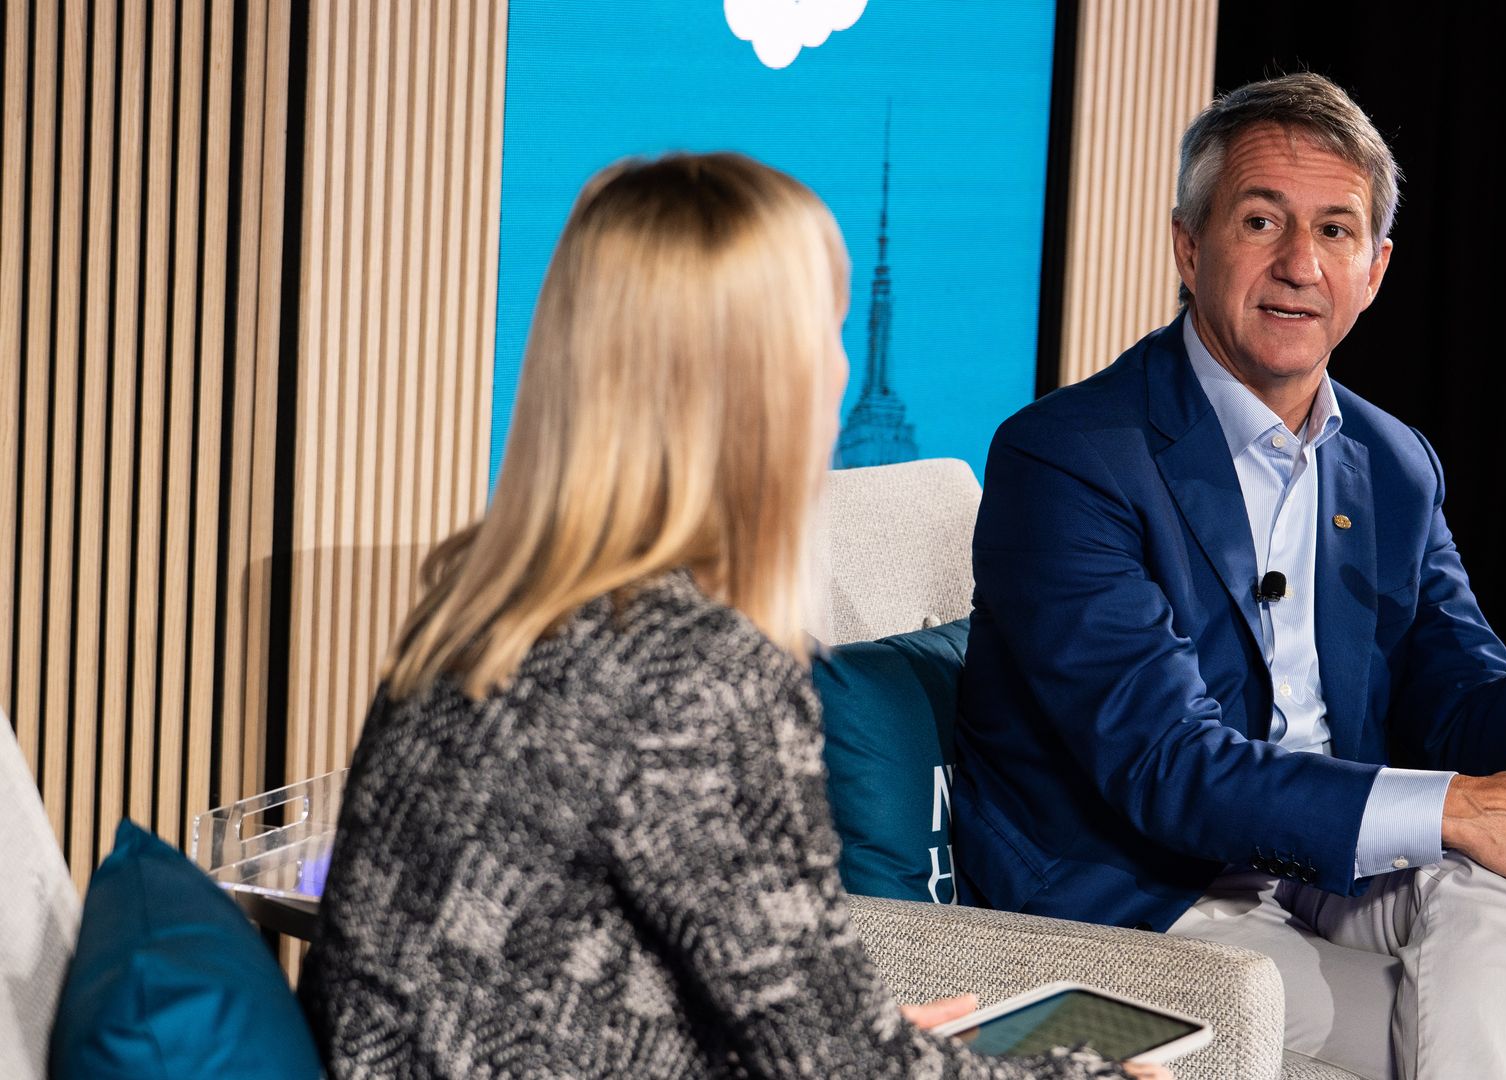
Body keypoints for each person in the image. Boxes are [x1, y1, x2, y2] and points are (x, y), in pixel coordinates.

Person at [298, 153, 1161, 1079]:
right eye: (823, 332)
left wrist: (846, 1038)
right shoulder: (691, 670)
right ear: (763, 379)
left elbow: (580, 993)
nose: (838, 369)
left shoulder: (477, 609)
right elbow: (832, 1069)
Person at [954, 74, 1506, 1079]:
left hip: (1335, 869)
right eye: (1261, 220)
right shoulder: (1068, 458)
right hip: (1152, 889)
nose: (1298, 265)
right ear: (1190, 245)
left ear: (1376, 269)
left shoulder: (1395, 466)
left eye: (1336, 231)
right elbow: (1166, 768)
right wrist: (1453, 811)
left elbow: (1460, 719)